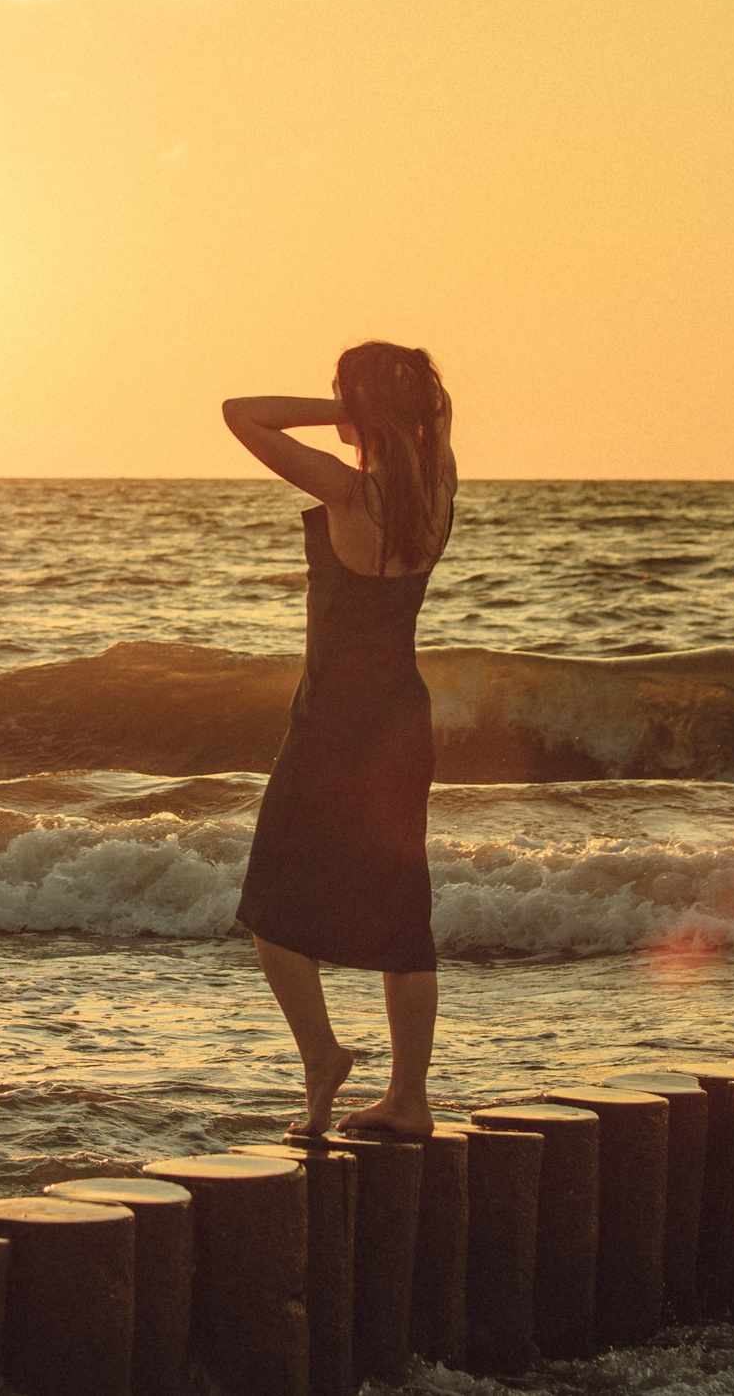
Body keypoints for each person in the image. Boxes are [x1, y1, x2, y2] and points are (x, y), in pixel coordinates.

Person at [221, 341, 455, 1139]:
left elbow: (238, 414)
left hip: (332, 724)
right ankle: (409, 1099)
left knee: (269, 902)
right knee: (402, 912)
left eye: (342, 395)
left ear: (362, 406)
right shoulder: (437, 489)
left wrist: (341, 414)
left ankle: (321, 1054)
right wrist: (395, 413)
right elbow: (439, 427)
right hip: (403, 722)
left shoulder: (351, 491)